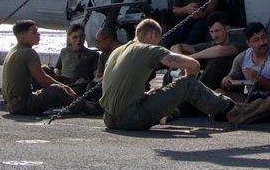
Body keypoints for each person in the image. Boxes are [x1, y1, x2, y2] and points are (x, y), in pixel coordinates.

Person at [99, 18, 239, 130]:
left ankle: (177, 110)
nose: (157, 43)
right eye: (158, 40)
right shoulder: (148, 49)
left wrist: (146, 95)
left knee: (153, 92)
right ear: (153, 35)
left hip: (109, 120)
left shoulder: (116, 52)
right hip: (132, 119)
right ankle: (232, 110)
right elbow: (193, 65)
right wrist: (186, 89)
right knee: (188, 83)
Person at [220, 21, 270, 123]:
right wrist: (226, 82)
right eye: (256, 40)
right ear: (248, 43)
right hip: (250, 100)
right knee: (219, 93)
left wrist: (259, 78)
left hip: (269, 99)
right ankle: (247, 113)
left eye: (263, 37)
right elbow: (229, 79)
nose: (262, 43)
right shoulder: (241, 58)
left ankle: (240, 114)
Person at [1, 20, 76, 115]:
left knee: (45, 69)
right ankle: (86, 106)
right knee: (57, 90)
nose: (38, 34)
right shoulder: (29, 53)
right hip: (22, 105)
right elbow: (42, 80)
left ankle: (63, 99)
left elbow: (42, 74)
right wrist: (67, 88)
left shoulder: (14, 50)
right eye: (34, 32)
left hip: (12, 105)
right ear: (22, 37)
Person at [168, 11, 240, 89]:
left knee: (216, 61)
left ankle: (196, 92)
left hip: (227, 83)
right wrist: (182, 61)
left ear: (227, 29)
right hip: (208, 82)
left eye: (217, 31)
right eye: (211, 32)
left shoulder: (236, 45)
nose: (214, 35)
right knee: (175, 62)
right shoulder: (210, 45)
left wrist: (188, 59)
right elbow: (175, 47)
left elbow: (219, 51)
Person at [53, 23, 100, 88]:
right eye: (75, 37)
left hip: (80, 85)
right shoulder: (64, 52)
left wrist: (87, 82)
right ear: (69, 39)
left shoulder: (93, 55)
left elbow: (96, 77)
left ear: (84, 37)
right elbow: (57, 70)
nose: (79, 39)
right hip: (64, 83)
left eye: (81, 36)